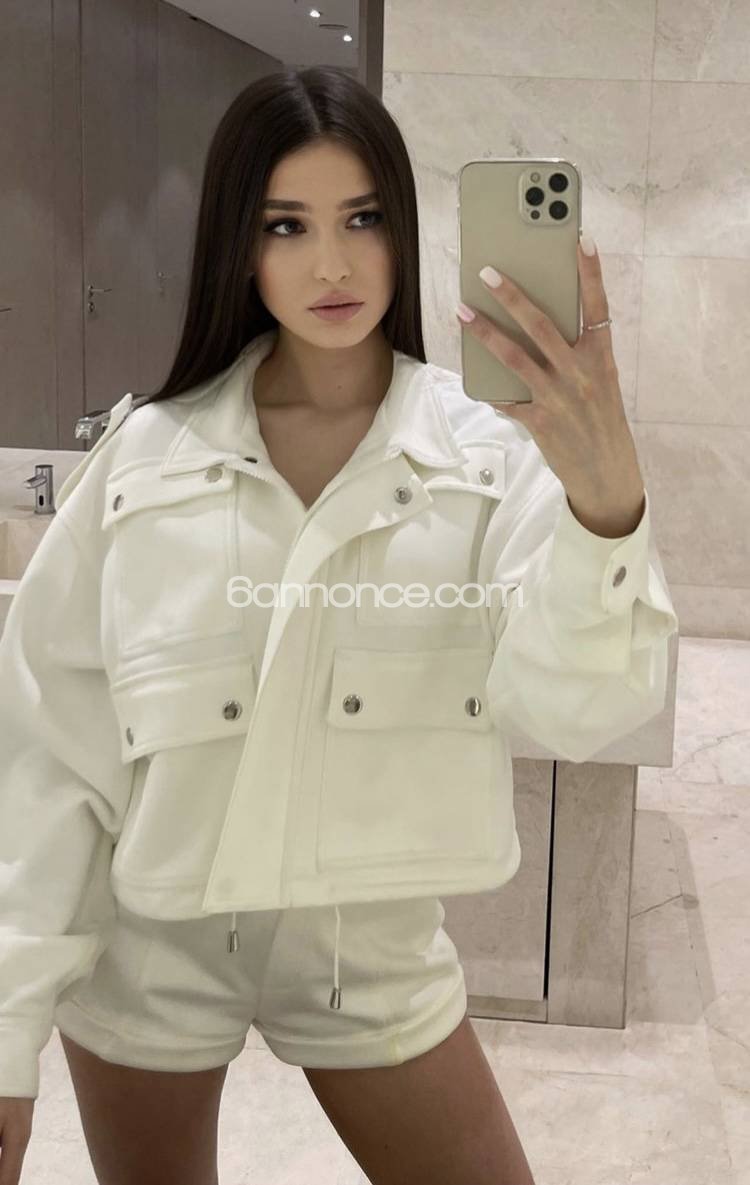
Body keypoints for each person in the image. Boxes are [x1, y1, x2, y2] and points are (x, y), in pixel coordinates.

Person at [0, 66, 678, 1185]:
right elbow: (45, 758)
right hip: (150, 957)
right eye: (287, 225)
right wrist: (5, 1036)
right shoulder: (145, 461)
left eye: (362, 219)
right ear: (240, 246)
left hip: (368, 952)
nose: (331, 264)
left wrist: (606, 505)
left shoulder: (485, 458)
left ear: (402, 232)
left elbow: (579, 706)